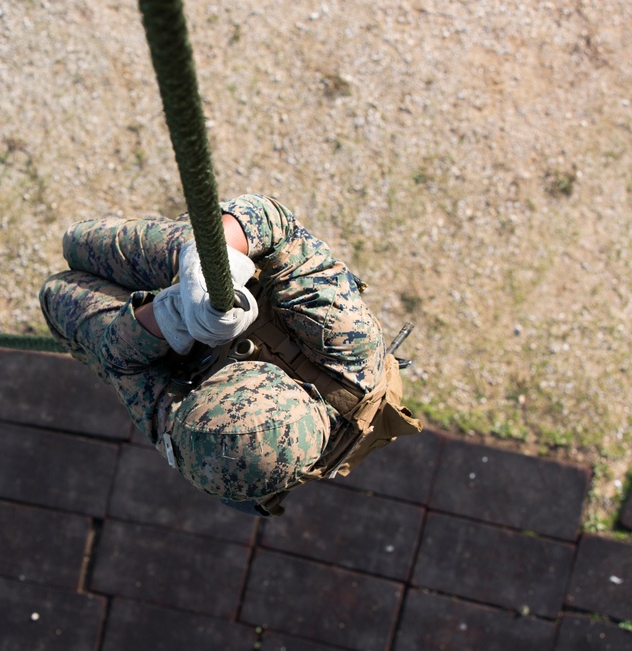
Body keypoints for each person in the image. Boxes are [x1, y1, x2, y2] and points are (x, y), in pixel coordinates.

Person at [40, 194, 420, 516]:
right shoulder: (344, 341)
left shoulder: (203, 451)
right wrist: (206, 272)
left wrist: (168, 317)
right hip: (235, 284)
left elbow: (122, 364)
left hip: (176, 353)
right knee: (76, 241)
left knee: (56, 292)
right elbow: (272, 222)